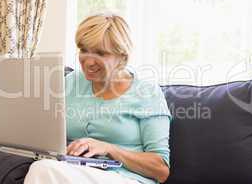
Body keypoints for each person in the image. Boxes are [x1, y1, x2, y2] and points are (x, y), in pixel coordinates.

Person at [24, 13, 172, 184]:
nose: (88, 62)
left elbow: (161, 170)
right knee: (44, 166)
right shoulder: (70, 82)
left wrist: (109, 149)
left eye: (101, 53)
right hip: (74, 171)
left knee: (43, 170)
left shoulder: (146, 93)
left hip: (125, 178)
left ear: (122, 57)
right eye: (84, 50)